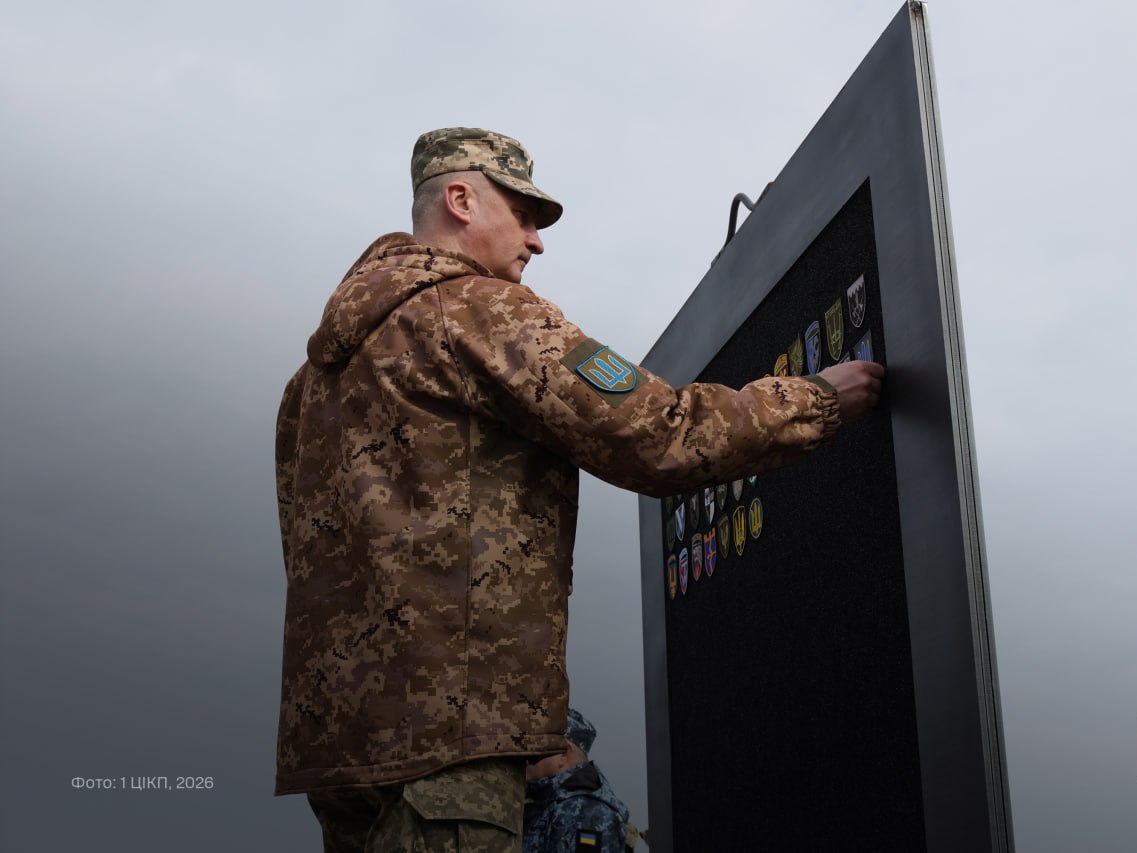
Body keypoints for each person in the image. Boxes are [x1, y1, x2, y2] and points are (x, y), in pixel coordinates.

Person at [274, 127, 884, 851]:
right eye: (524, 213)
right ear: (462, 199)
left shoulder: (310, 383)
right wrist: (813, 399)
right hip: (451, 740)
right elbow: (656, 433)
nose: (536, 241)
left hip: (344, 753)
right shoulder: (478, 308)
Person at [523, 709, 639, 852]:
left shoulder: (588, 815)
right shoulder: (547, 803)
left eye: (533, 745)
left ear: (563, 754)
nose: (524, 754)